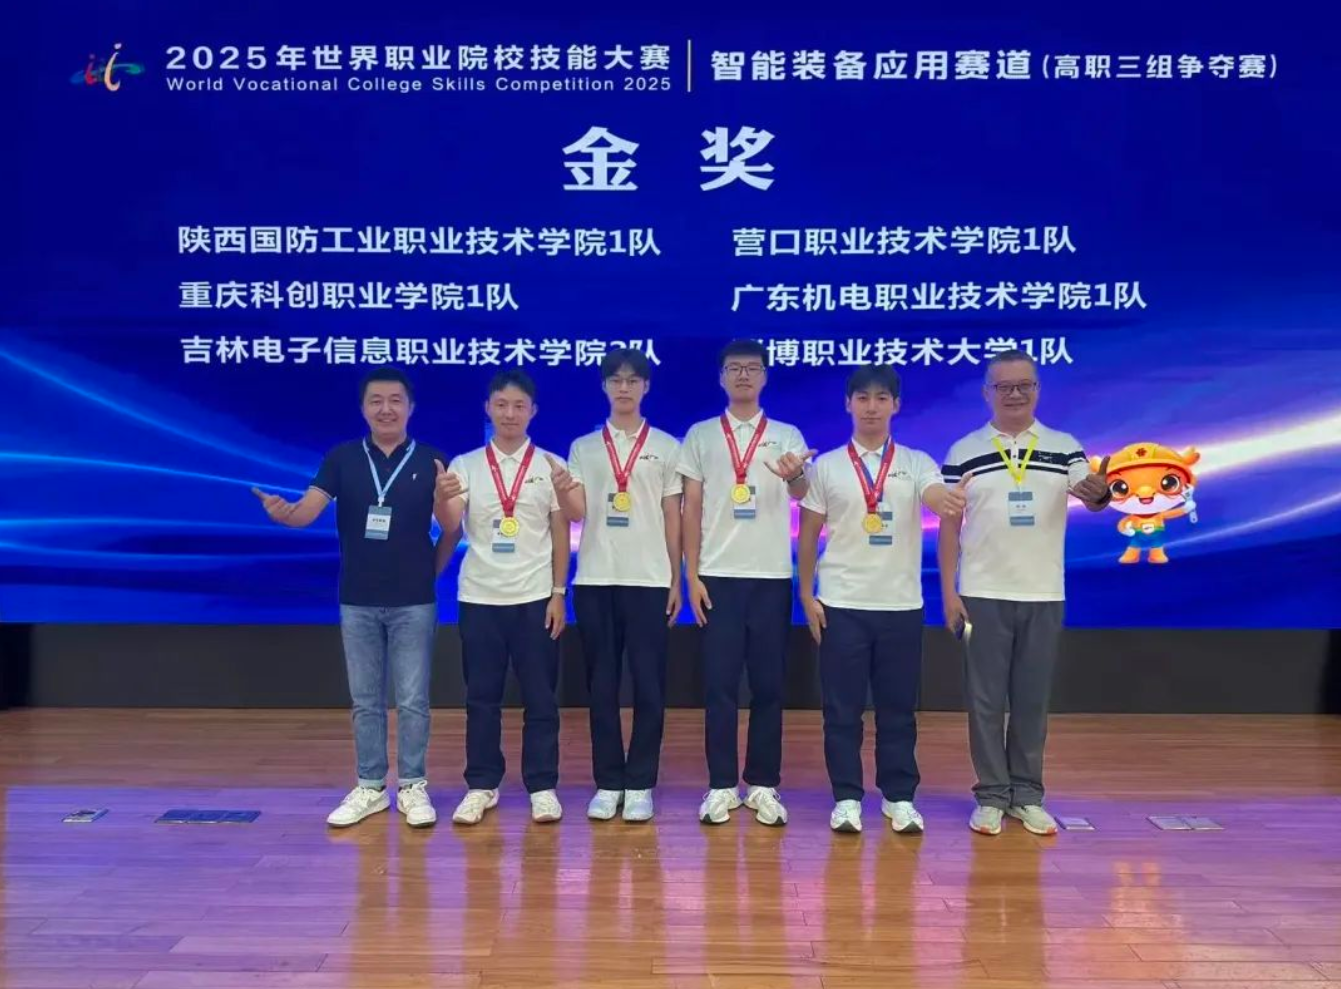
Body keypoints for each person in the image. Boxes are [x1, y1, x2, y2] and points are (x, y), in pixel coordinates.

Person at [252, 368, 450, 829]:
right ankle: (371, 786)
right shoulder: (342, 459)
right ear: (363, 408)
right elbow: (305, 512)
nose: (386, 409)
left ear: (410, 407)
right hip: (357, 599)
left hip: (414, 601)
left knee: (413, 699)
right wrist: (284, 515)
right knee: (365, 700)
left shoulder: (432, 460)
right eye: (376, 400)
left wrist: (429, 572)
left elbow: (453, 527)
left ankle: (413, 785)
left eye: (395, 400)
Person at [937, 350, 1111, 836]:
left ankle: (1028, 796)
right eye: (1004, 386)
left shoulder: (1063, 446)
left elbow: (1091, 493)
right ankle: (992, 796)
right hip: (982, 592)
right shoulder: (964, 450)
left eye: (1024, 385)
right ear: (986, 393)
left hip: (1043, 591)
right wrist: (949, 591)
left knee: (1032, 700)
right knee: (985, 701)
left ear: (1037, 389)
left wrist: (1100, 491)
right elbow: (949, 525)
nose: (1014, 394)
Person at [797, 365, 967, 834]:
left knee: (898, 710)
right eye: (862, 398)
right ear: (848, 404)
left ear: (896, 405)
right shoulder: (827, 466)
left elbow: (935, 495)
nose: (871, 407)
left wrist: (947, 501)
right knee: (842, 710)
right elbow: (808, 535)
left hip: (900, 606)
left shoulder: (916, 462)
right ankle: (847, 798)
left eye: (881, 398)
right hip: (842, 604)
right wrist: (806, 594)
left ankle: (899, 797)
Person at [678, 339, 815, 826]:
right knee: (718, 686)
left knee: (768, 685)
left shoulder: (786, 434)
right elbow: (691, 507)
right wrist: (691, 574)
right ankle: (720, 785)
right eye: (734, 368)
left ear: (764, 376)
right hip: (717, 576)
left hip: (770, 576)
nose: (742, 375)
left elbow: (802, 493)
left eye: (752, 368)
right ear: (721, 377)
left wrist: (794, 476)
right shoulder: (700, 435)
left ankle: (762, 784)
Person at [434, 369, 570, 826]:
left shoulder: (550, 464)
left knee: (541, 698)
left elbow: (560, 532)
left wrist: (558, 593)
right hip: (480, 597)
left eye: (519, 406)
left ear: (533, 411)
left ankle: (542, 786)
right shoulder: (466, 464)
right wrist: (440, 498)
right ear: (488, 409)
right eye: (501, 405)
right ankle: (481, 784)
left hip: (535, 597)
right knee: (481, 698)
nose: (510, 414)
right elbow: (451, 524)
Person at [552, 348, 683, 823]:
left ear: (646, 387)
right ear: (604, 387)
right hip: (596, 578)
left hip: (649, 580)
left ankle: (641, 782)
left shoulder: (666, 446)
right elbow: (578, 513)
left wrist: (675, 578)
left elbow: (672, 515)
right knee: (602, 685)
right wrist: (563, 489)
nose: (624, 388)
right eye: (616, 380)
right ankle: (608, 782)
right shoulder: (584, 447)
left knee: (649, 685)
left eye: (632, 380)